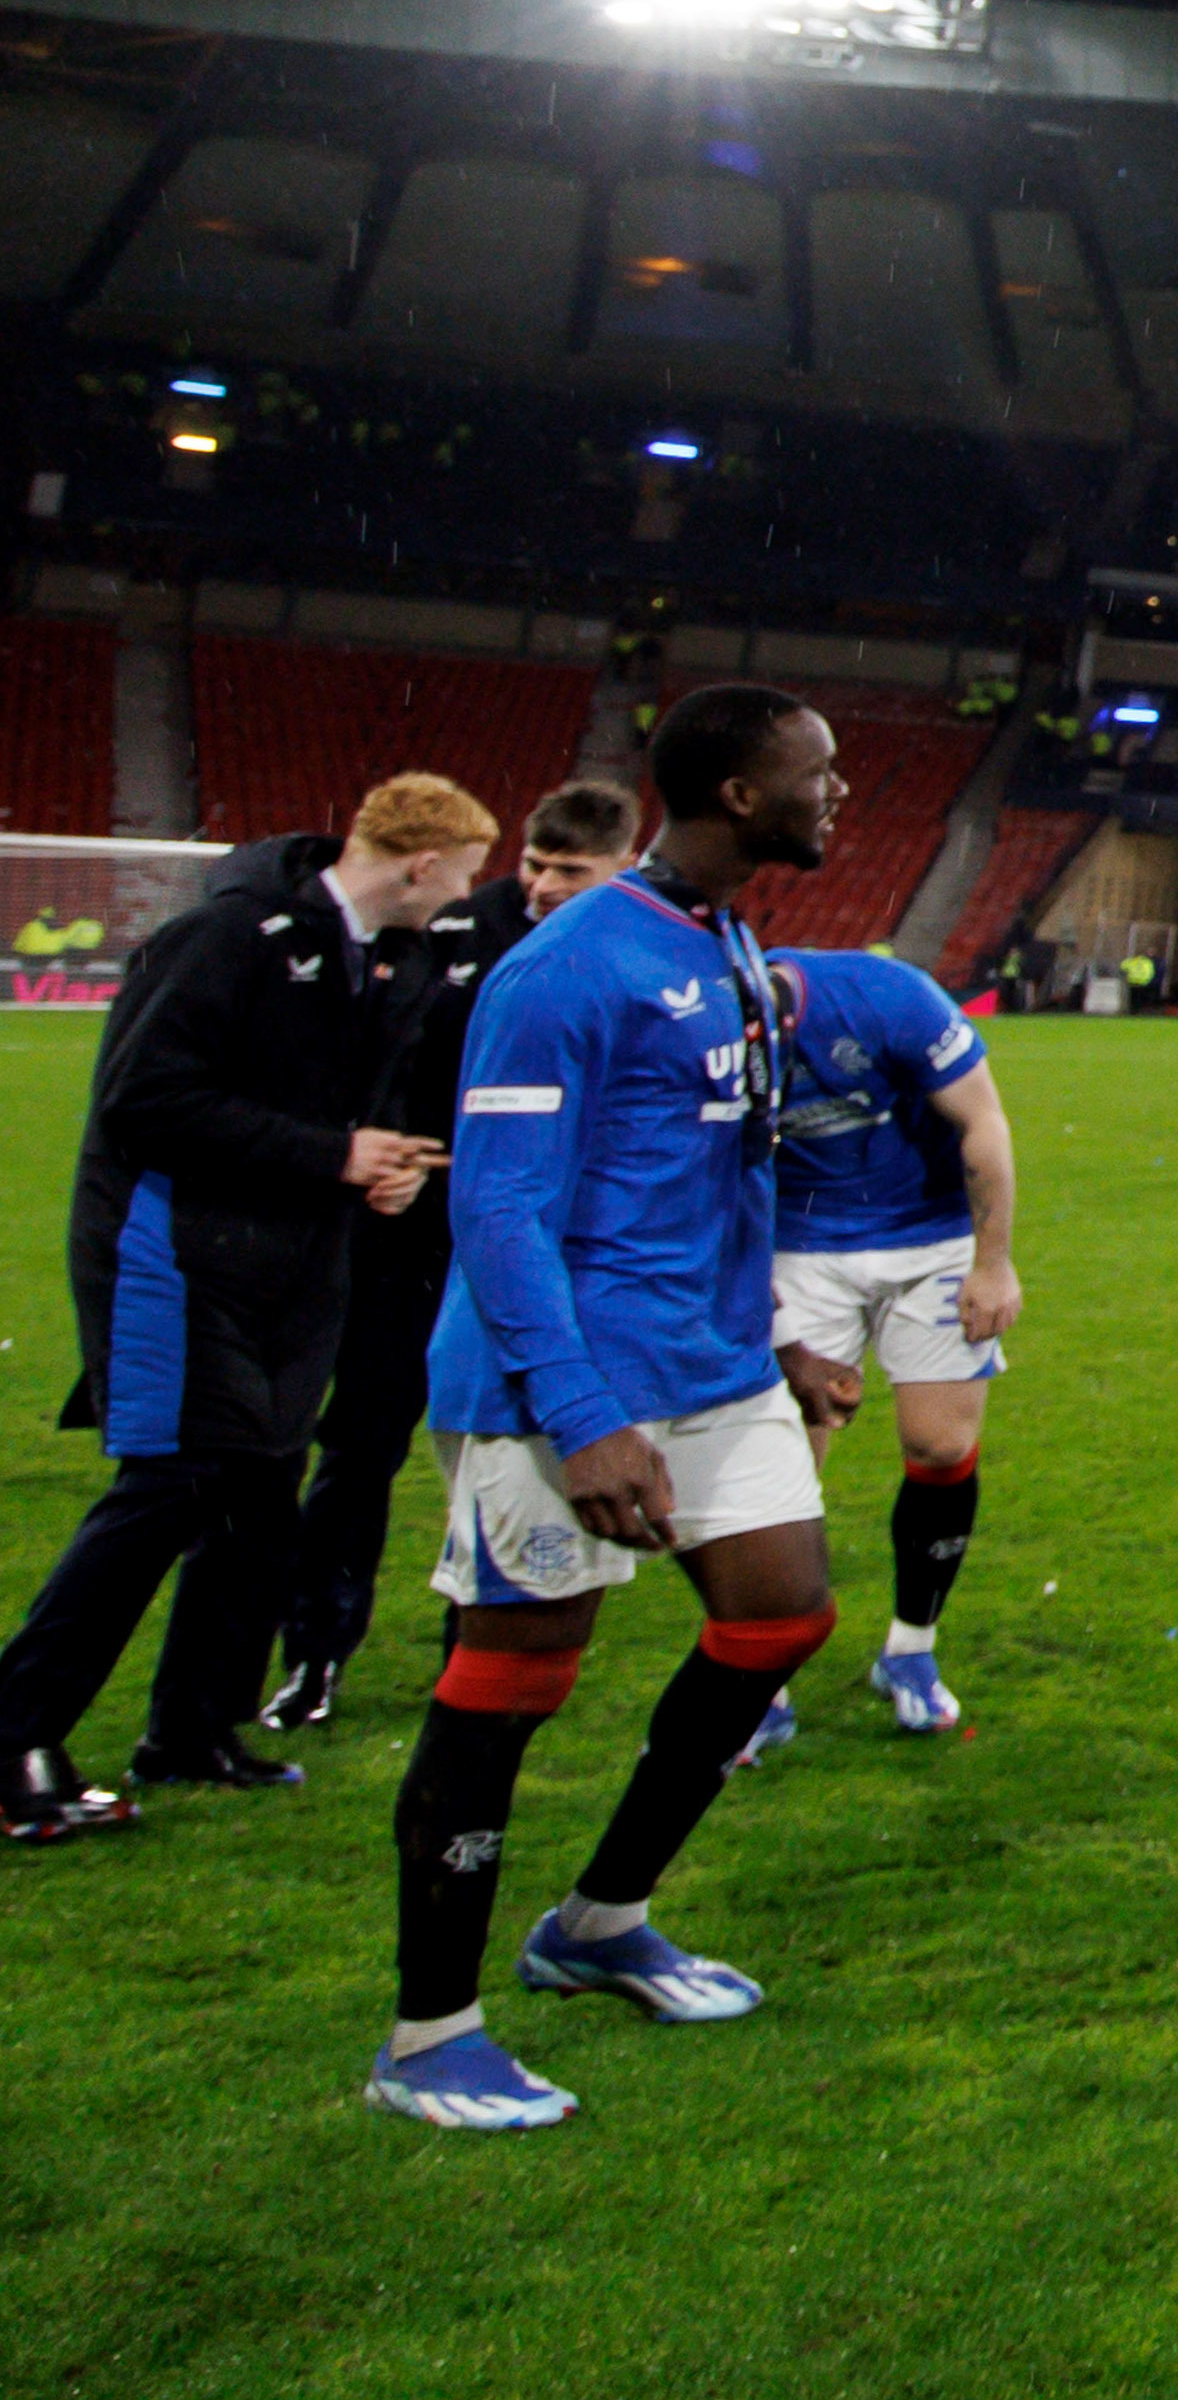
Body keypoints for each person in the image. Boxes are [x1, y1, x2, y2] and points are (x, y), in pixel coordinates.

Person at [367, 689, 858, 2129]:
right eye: (815, 775)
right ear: (737, 793)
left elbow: (700, 1185)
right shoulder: (565, 966)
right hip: (556, 1380)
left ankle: (597, 1924)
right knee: (513, 1686)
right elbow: (505, 1213)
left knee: (781, 1617)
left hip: (713, 1367)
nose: (839, 795)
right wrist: (579, 1415)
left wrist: (773, 1340)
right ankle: (427, 2034)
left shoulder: (721, 937)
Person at [0, 776, 485, 1839]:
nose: (467, 893)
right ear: (421, 863)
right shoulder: (226, 938)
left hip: (294, 1255)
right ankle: (12, 1738)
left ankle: (192, 1730)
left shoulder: (382, 960)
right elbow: (144, 1099)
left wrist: (375, 1167)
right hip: (172, 1248)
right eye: (464, 870)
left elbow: (345, 1110)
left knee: (262, 1491)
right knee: (170, 1486)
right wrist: (332, 1154)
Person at [269, 778, 637, 1734]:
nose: (548, 886)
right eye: (538, 865)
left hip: (529, 1254)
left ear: (621, 866)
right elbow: (381, 1057)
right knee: (358, 1449)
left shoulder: (632, 950)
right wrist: (386, 1147)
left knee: (501, 1456)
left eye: (572, 871)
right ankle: (313, 1658)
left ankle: (471, 1657)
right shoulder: (456, 931)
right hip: (413, 1238)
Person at [763, 944, 1022, 1737]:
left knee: (941, 1447)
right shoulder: (700, 1031)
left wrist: (992, 1263)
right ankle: (759, 1681)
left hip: (932, 1235)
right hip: (800, 1242)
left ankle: (911, 1647)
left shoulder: (886, 998)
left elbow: (980, 1120)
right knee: (778, 1465)